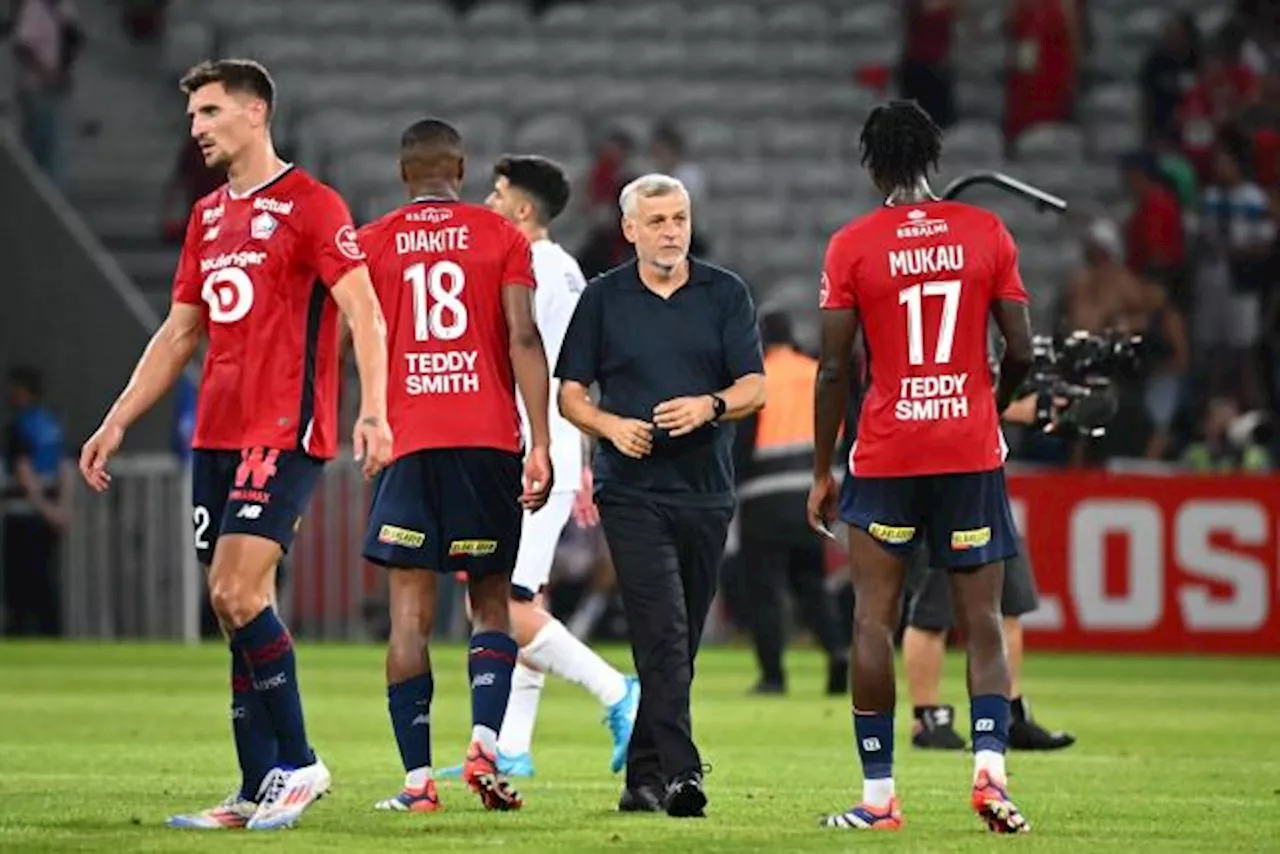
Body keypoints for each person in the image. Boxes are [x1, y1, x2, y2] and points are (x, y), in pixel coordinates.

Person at [78, 59, 393, 831]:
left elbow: (365, 313)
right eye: (192, 117)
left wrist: (375, 410)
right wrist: (118, 417)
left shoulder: (313, 205)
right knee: (235, 608)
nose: (198, 128)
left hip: (284, 428)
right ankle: (254, 789)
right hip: (217, 434)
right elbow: (182, 330)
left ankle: (300, 763)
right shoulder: (208, 216)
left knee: (235, 593)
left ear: (256, 113)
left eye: (210, 113)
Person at [809, 100, 1034, 833]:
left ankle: (879, 799)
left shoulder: (852, 245)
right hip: (968, 445)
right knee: (984, 620)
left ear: (872, 163)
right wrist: (987, 408)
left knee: (874, 617)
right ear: (935, 156)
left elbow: (833, 370)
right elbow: (1024, 352)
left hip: (887, 450)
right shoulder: (986, 232)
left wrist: (821, 468)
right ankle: (991, 778)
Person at [357, 120, 553, 813]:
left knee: (408, 615)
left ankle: (416, 785)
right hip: (487, 441)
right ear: (462, 170)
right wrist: (543, 442)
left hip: (407, 444)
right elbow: (524, 335)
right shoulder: (501, 238)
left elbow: (356, 335)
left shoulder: (372, 242)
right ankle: (483, 740)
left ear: (404, 173)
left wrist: (367, 417)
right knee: (491, 602)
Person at [556, 173, 765, 817]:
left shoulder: (724, 293)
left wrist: (710, 405)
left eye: (679, 218)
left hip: (706, 490)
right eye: (657, 221)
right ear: (629, 230)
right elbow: (570, 395)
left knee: (680, 642)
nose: (672, 231)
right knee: (664, 631)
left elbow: (754, 385)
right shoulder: (602, 298)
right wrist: (611, 426)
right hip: (632, 490)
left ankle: (641, 777)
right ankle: (682, 774)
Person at [432, 155, 640, 784]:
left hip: (530, 453)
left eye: (497, 195)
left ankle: (617, 692)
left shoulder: (537, 268)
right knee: (523, 597)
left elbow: (537, 360)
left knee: (501, 604)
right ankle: (511, 745)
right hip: (545, 449)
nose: (488, 203)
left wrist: (564, 455)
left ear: (522, 210)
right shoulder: (560, 270)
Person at [733, 308, 848, 696]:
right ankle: (837, 651)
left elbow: (742, 445)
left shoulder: (758, 380)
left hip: (764, 498)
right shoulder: (815, 371)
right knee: (811, 582)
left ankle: (773, 675)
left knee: (765, 589)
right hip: (812, 495)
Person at [2, 365, 71, 637]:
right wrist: (62, 509)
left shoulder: (20, 426)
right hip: (50, 511)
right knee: (47, 581)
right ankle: (51, 634)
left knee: (20, 585)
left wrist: (46, 510)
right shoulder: (52, 424)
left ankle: (21, 634)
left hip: (25, 513)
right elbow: (65, 468)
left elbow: (24, 473)